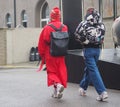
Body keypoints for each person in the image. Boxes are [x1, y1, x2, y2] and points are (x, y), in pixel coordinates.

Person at [74, 8, 108, 101]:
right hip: (98, 50)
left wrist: (84, 41)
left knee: (93, 69)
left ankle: (102, 92)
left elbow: (76, 34)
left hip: (88, 50)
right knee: (90, 69)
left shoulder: (84, 23)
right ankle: (83, 87)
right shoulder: (101, 25)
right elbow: (102, 38)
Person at [38, 7, 68, 99]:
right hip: (61, 53)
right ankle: (56, 92)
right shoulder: (64, 27)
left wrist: (42, 54)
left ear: (51, 16)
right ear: (59, 16)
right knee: (60, 71)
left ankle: (58, 85)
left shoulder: (47, 28)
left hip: (50, 53)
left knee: (51, 72)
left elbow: (42, 43)